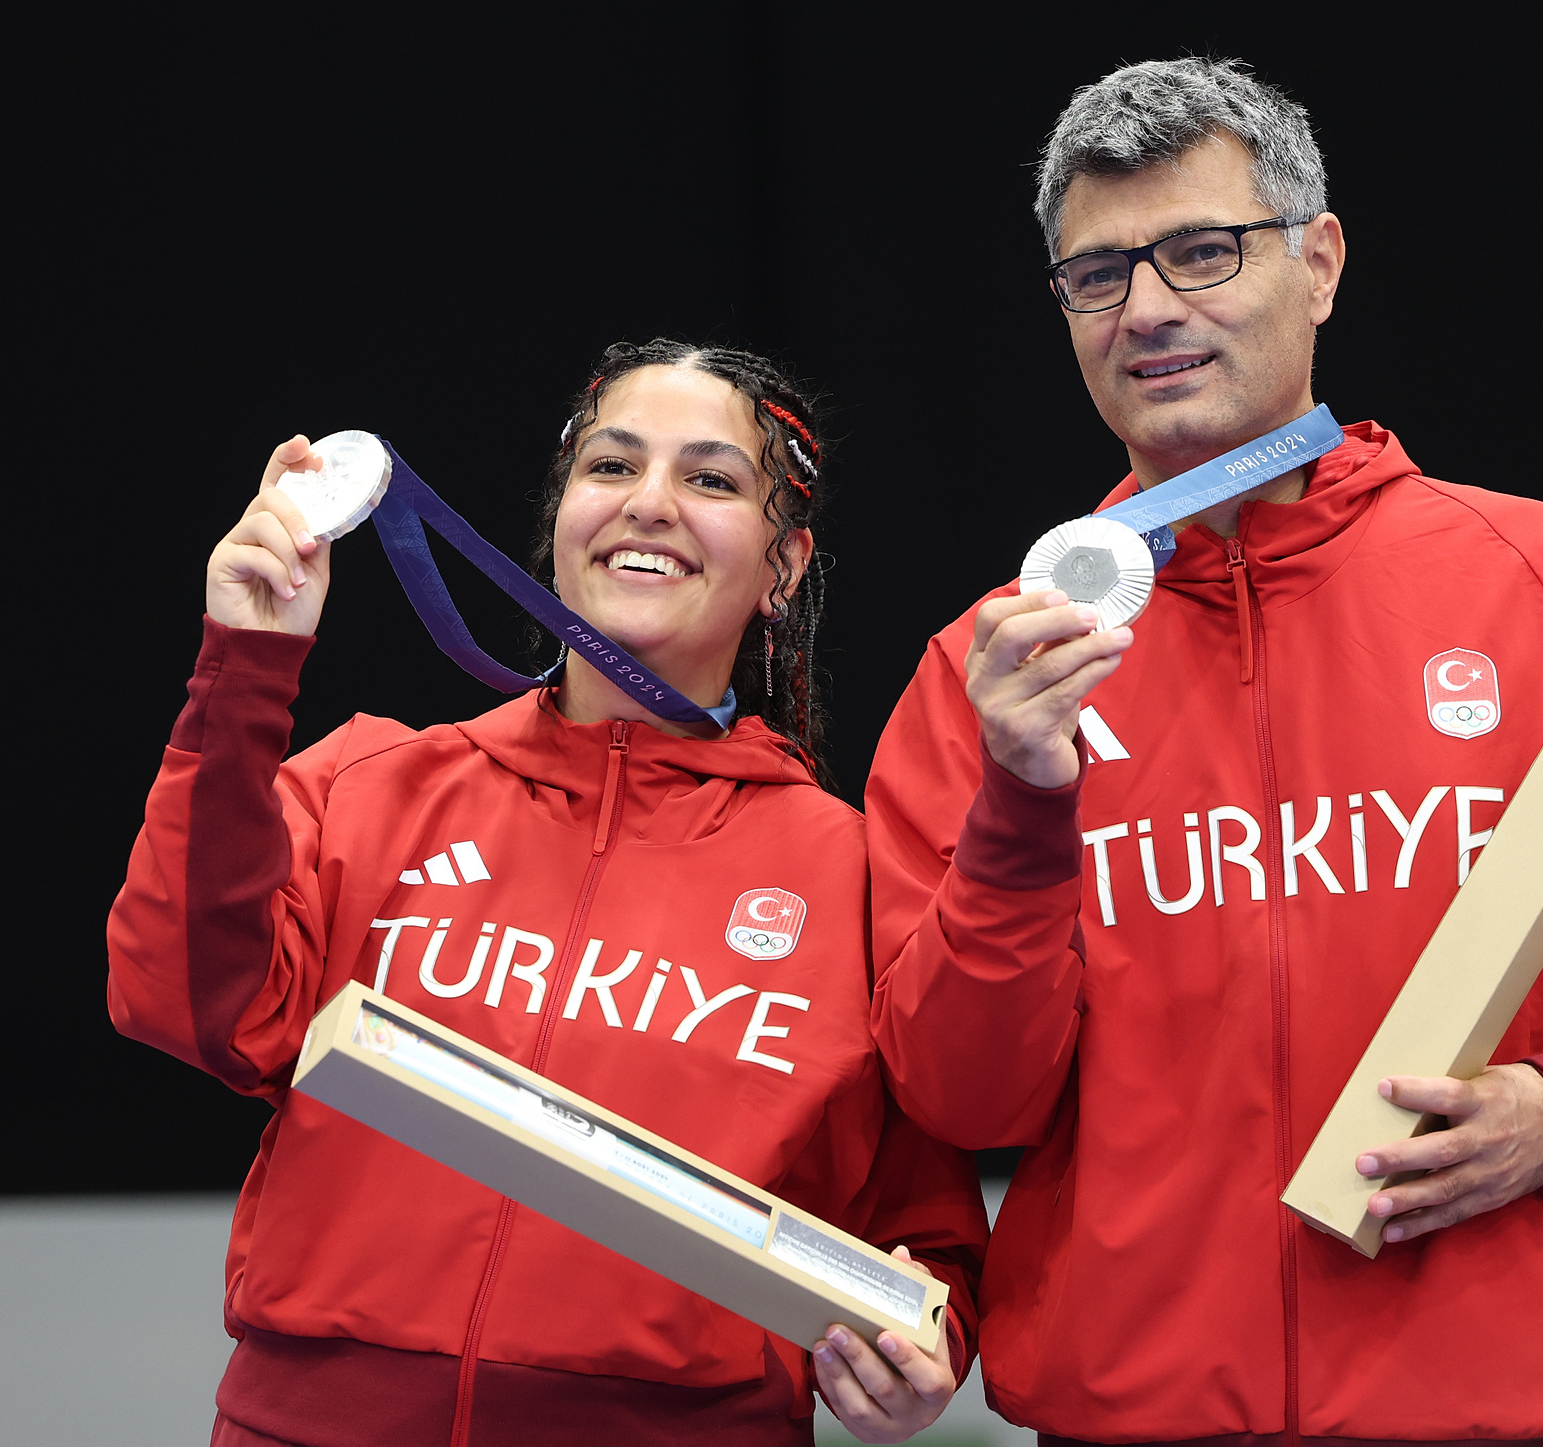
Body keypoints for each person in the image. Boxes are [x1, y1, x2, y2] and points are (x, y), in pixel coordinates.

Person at [865, 59, 1543, 1445]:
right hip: (1138, 1418)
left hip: (1510, 1411)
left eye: (1199, 252)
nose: (1147, 308)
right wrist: (1021, 809)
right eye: (1097, 276)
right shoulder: (993, 668)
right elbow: (960, 1094)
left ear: (1318, 261)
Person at [108, 340, 985, 1447]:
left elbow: (927, 1236)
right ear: (562, 514)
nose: (650, 505)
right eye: (612, 467)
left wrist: (923, 1345)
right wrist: (245, 663)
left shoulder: (853, 871)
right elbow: (185, 1006)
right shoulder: (373, 782)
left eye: (711, 480)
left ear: (784, 567)